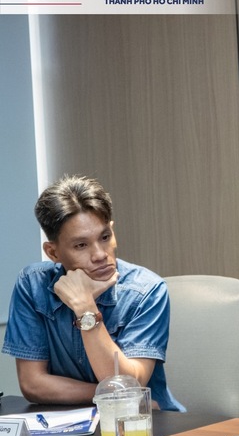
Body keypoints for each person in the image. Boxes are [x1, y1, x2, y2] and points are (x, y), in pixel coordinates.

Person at [2, 175, 184, 411]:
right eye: (81, 245)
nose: (100, 254)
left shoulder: (146, 290)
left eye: (105, 237)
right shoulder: (32, 284)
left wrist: (85, 308)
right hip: (72, 422)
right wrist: (109, 394)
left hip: (144, 422)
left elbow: (131, 382)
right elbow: (33, 384)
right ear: (53, 253)